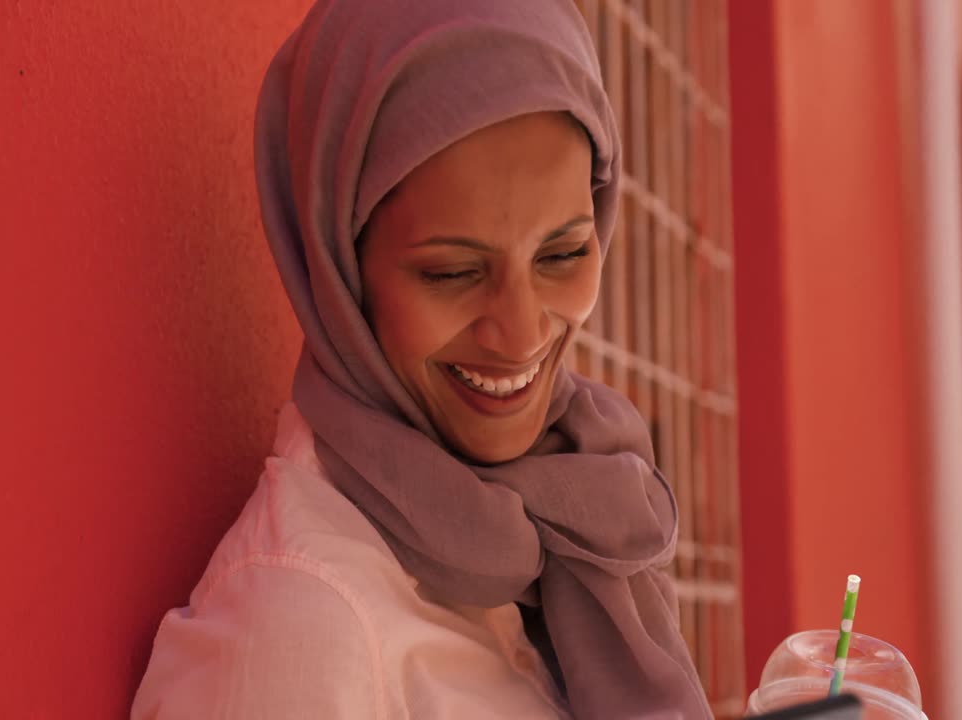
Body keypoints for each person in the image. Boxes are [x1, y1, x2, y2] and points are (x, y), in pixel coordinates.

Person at [132, 0, 711, 717]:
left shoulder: (578, 513)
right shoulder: (300, 629)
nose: (520, 333)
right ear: (341, 273)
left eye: (562, 254)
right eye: (452, 272)